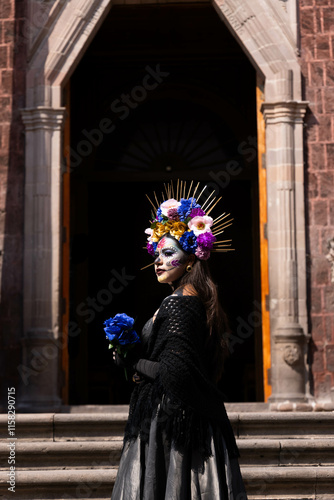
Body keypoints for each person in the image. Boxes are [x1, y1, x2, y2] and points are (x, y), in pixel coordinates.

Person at [111, 182, 248, 500]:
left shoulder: (181, 301)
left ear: (189, 260)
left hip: (173, 424)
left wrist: (134, 362)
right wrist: (130, 350)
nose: (158, 261)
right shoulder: (189, 298)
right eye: (157, 253)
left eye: (168, 253)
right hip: (177, 418)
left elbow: (176, 373)